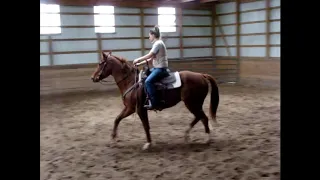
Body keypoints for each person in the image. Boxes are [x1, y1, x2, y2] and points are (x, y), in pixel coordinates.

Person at [133, 25, 169, 109]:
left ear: (153, 35)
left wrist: (137, 60)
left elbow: (150, 55)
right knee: (145, 76)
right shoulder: (157, 44)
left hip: (160, 69)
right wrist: (139, 64)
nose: (149, 37)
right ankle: (147, 97)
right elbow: (150, 59)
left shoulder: (158, 44)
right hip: (157, 68)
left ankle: (155, 102)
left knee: (148, 82)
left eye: (149, 36)